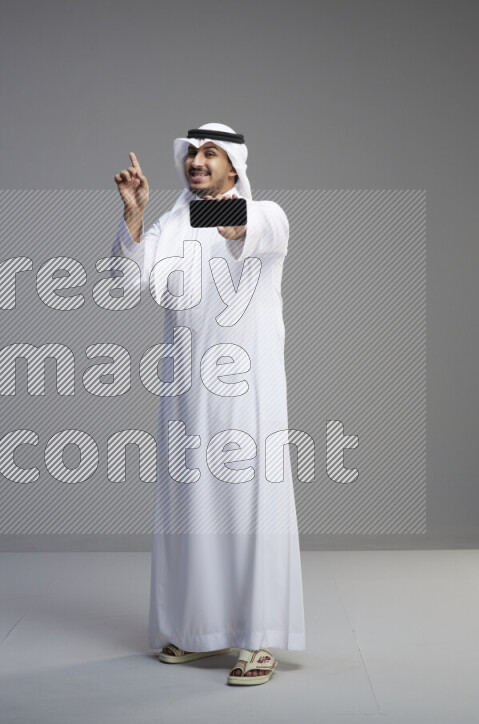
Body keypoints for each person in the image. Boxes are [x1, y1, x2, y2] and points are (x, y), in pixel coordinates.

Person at [111, 123, 305, 686]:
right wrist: (134, 216)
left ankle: (259, 641)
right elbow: (126, 286)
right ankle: (200, 633)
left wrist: (216, 212)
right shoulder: (171, 225)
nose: (197, 160)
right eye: (192, 153)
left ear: (235, 166)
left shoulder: (268, 214)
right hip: (183, 397)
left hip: (248, 396)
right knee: (189, 516)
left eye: (210, 154)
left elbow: (242, 229)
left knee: (251, 512)